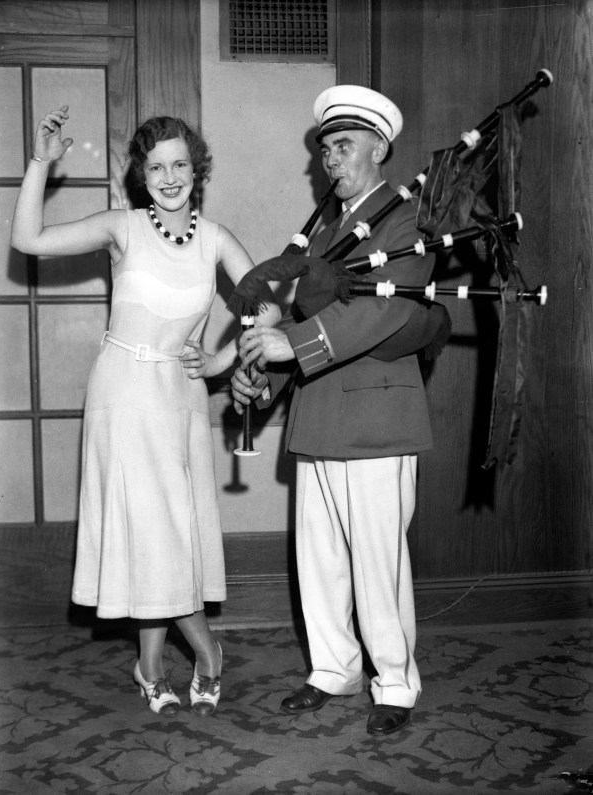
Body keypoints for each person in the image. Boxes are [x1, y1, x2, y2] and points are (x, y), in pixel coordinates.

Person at [11, 106, 280, 718]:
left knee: (170, 530)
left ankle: (151, 663)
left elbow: (265, 313)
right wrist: (40, 164)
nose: (169, 176)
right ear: (140, 173)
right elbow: (27, 240)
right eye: (156, 165)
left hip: (178, 396)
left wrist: (216, 365)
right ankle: (204, 653)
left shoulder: (215, 238)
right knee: (150, 526)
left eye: (180, 163)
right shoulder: (123, 227)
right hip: (124, 390)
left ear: (197, 168)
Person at [231, 85, 435, 736]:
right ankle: (334, 667)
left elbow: (390, 308)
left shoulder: (405, 218)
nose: (331, 159)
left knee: (377, 560)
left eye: (344, 145)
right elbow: (300, 315)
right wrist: (260, 375)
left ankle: (396, 682)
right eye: (326, 149)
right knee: (318, 556)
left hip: (376, 419)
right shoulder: (325, 228)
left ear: (380, 147)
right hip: (319, 416)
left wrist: (287, 342)